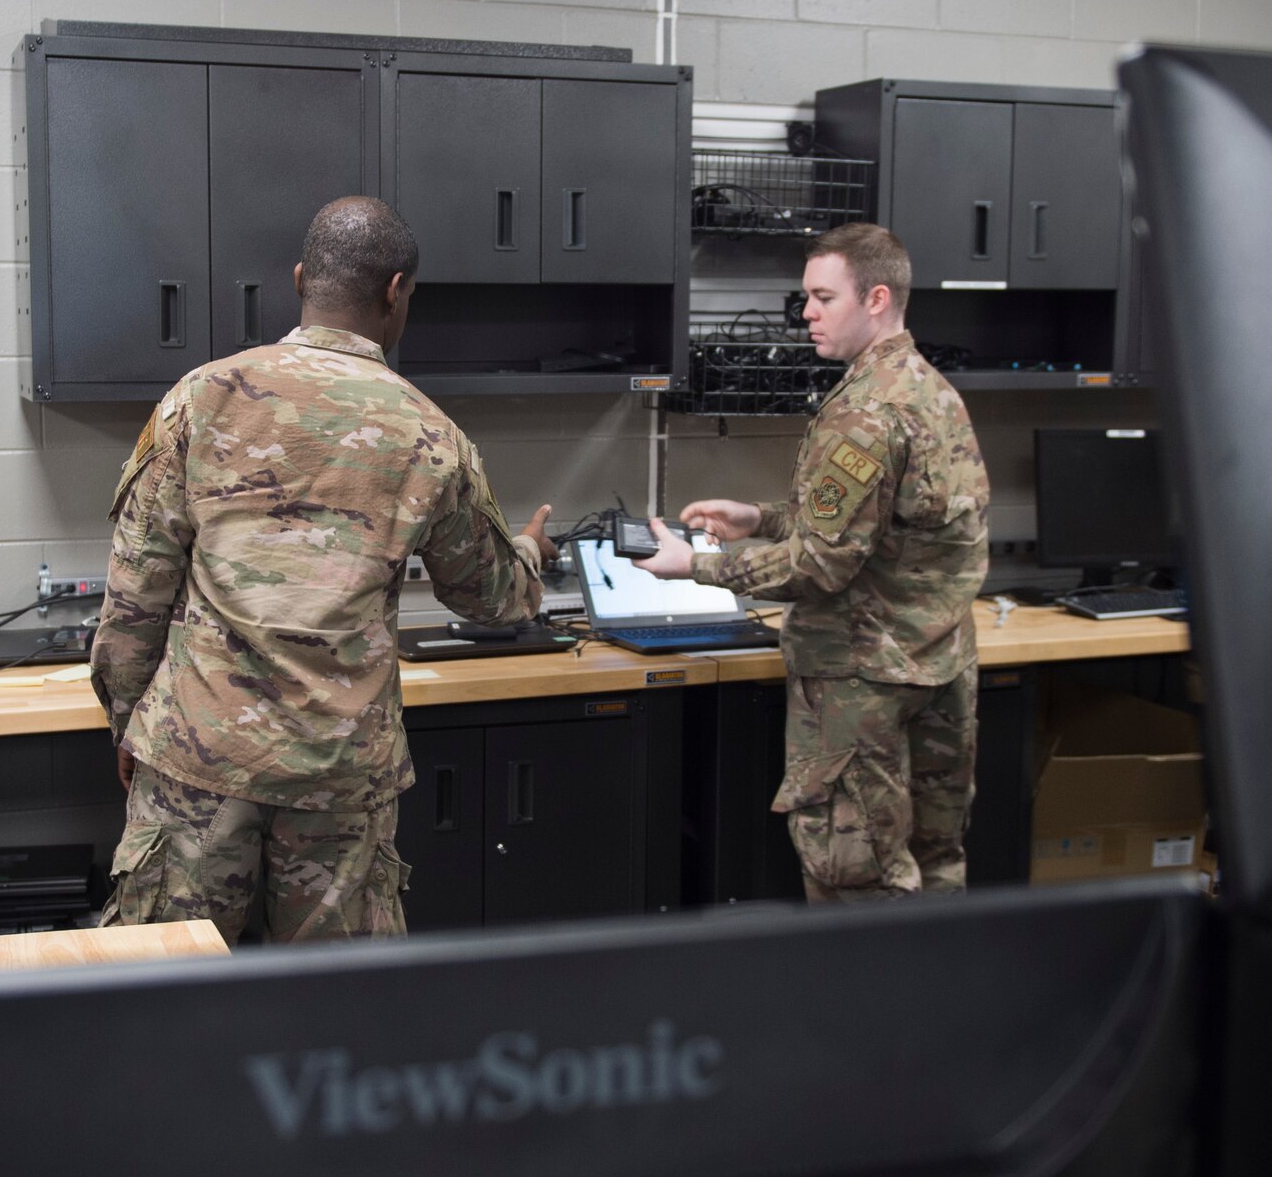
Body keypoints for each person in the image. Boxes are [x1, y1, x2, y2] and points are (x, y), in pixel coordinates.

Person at [89, 196, 557, 945]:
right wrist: (533, 547)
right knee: (334, 1021)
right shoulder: (431, 432)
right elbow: (494, 597)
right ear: (397, 291)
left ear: (301, 278)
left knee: (170, 1012)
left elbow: (134, 595)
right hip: (339, 782)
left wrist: (129, 724)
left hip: (198, 765)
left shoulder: (200, 399)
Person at [635, 223, 990, 902]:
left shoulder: (863, 410)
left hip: (861, 684)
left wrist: (697, 567)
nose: (807, 314)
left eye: (824, 297)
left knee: (856, 878)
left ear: (877, 297)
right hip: (938, 665)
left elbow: (821, 565)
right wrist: (761, 518)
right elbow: (895, 528)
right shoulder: (933, 394)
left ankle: (868, 1012)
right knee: (935, 862)